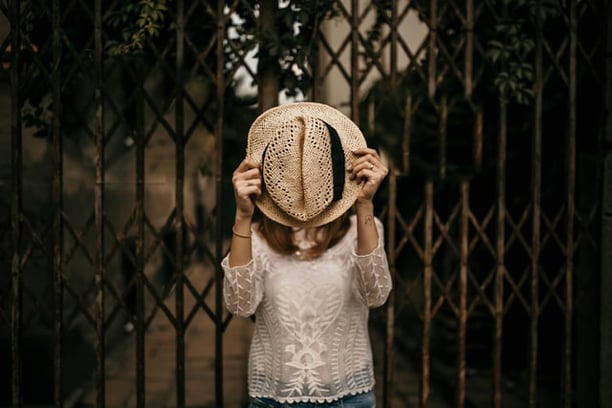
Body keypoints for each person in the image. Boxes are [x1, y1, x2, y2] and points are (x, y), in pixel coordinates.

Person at [222, 102, 392, 407]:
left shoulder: (361, 230)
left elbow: (376, 295)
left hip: (349, 398)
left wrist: (364, 205)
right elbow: (239, 305)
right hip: (271, 400)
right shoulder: (256, 239)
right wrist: (242, 218)